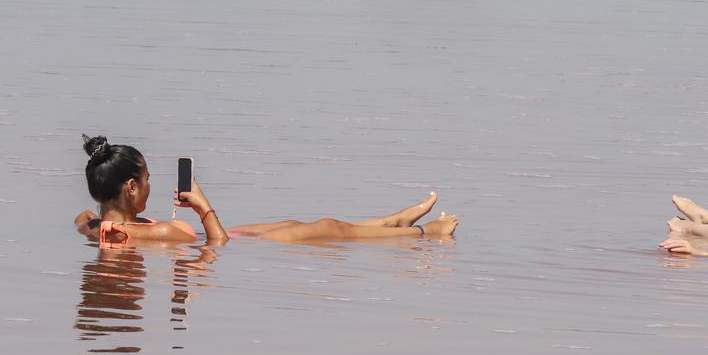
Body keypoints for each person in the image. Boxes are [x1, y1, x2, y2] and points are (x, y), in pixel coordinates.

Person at [73, 135, 459, 246]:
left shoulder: (92, 226)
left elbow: (86, 218)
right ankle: (423, 234)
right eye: (147, 180)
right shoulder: (157, 232)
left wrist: (105, 219)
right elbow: (216, 246)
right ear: (129, 186)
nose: (150, 187)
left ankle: (395, 222)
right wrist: (204, 206)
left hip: (243, 234)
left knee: (310, 222)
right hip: (239, 242)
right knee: (330, 227)